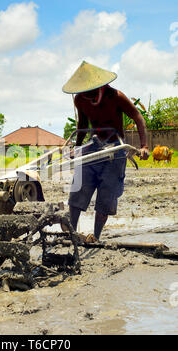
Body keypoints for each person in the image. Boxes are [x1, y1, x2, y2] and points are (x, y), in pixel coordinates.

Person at [62, 61, 150, 242]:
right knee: (78, 189)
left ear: (98, 86)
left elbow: (137, 116)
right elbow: (82, 125)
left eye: (89, 92)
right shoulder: (80, 100)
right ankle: (70, 235)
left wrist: (144, 146)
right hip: (93, 146)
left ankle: (96, 237)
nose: (87, 96)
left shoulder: (116, 96)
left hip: (115, 148)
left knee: (107, 195)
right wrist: (77, 148)